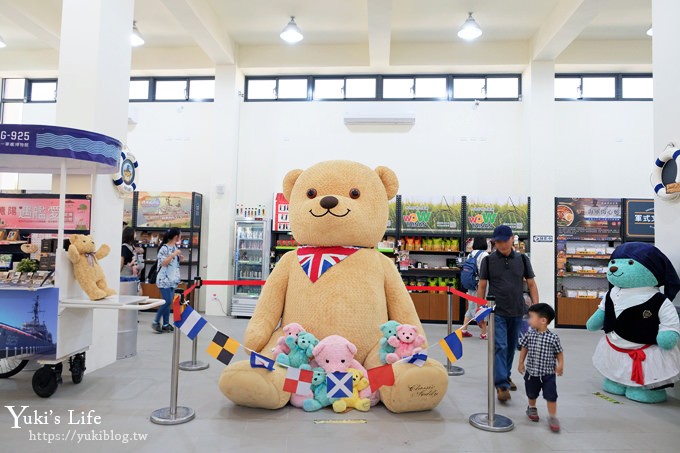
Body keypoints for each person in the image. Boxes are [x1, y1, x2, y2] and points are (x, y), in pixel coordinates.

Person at [478, 225, 539, 402]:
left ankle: (505, 375)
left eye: (505, 240)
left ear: (513, 239)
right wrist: (481, 310)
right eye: (498, 242)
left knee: (511, 347)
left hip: (518, 311)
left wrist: (537, 308)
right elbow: (482, 286)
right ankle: (502, 385)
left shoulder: (522, 259)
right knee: (500, 346)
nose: (502, 245)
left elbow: (532, 284)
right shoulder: (488, 261)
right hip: (496, 311)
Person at [518, 303, 564, 433]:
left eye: (531, 317)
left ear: (543, 320)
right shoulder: (529, 334)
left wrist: (560, 365)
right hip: (532, 372)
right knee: (531, 393)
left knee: (551, 395)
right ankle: (532, 407)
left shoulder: (553, 337)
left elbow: (559, 353)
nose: (528, 320)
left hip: (548, 374)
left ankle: (553, 417)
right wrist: (521, 362)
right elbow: (524, 348)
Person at [153, 228, 183, 333]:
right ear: (176, 236)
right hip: (164, 279)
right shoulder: (164, 248)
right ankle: (156, 321)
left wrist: (179, 257)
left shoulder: (175, 247)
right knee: (167, 300)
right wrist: (173, 255)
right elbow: (163, 263)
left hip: (172, 279)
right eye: (180, 235)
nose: (181, 237)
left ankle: (165, 323)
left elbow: (173, 263)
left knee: (168, 301)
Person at [461, 236, 489, 339]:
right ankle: (484, 332)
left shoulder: (470, 254)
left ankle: (464, 329)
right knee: (483, 306)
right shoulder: (484, 254)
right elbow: (485, 271)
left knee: (471, 305)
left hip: (471, 283)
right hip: (480, 284)